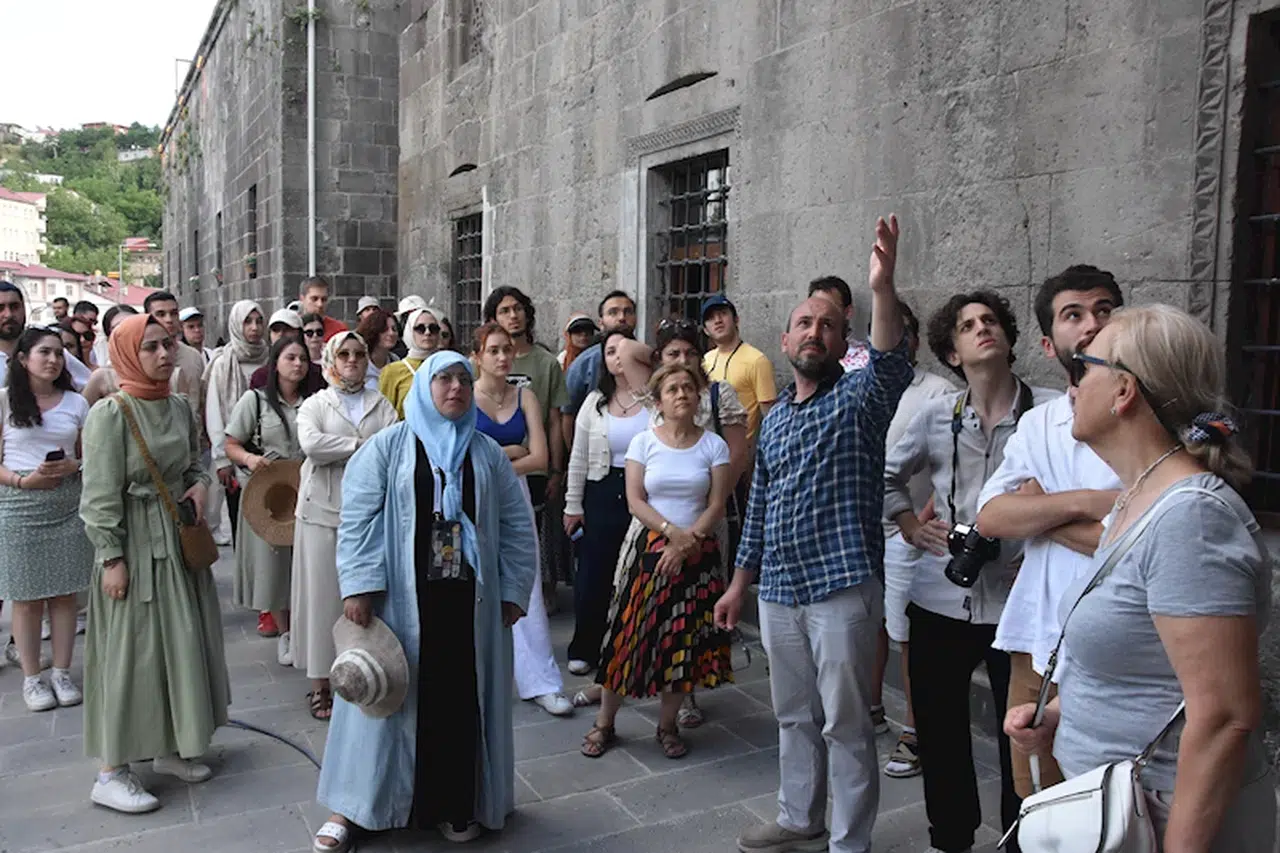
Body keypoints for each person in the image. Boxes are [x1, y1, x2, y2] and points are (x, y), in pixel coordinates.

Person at [1005, 305, 1276, 853]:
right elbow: (1150, 670)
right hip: (1114, 804)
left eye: (1083, 368)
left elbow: (1224, 716)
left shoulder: (1191, 518)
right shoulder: (1140, 499)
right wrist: (1060, 713)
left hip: (1162, 819)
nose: (1072, 385)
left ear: (1124, 390)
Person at [716, 216, 913, 853]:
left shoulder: (858, 400)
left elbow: (888, 366)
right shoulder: (773, 424)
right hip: (778, 591)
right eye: (805, 322)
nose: (815, 331)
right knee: (793, 715)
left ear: (841, 341)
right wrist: (738, 584)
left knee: (848, 726)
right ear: (786, 337)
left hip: (840, 590)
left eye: (828, 325)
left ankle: (848, 843)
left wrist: (882, 288)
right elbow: (762, 512)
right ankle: (799, 816)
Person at [313, 350, 538, 852]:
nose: (455, 388)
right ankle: (353, 808)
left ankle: (453, 804)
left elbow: (519, 527)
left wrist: (514, 589)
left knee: (456, 701)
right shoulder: (387, 449)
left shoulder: (486, 454)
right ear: (423, 389)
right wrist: (359, 586)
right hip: (399, 601)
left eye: (462, 379)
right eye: (443, 380)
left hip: (466, 606)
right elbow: (358, 522)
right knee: (383, 703)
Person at [882, 291, 1056, 853]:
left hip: (1021, 603)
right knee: (939, 731)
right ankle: (950, 838)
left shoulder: (1051, 412)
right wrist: (910, 525)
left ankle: (1018, 840)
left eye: (990, 321)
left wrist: (1048, 541)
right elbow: (883, 478)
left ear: (1008, 337)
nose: (982, 329)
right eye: (967, 325)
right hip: (939, 595)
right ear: (952, 352)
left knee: (1023, 737)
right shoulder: (936, 416)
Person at [975, 265, 1124, 798]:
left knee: (1103, 801)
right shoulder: (1040, 424)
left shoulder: (1154, 417)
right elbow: (990, 516)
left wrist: (1039, 512)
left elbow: (1138, 539)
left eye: (1104, 310)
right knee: (1034, 796)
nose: (1091, 324)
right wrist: (1085, 504)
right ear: (1047, 340)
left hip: (1114, 651)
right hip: (1037, 642)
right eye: (1073, 314)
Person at [79, 314, 228, 814]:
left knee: (177, 644)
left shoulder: (180, 406)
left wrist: (200, 486)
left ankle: (169, 745)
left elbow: (194, 463)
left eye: (168, 345)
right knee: (133, 652)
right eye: (150, 348)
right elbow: (98, 497)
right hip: (134, 546)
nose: (165, 355)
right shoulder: (111, 414)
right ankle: (111, 769)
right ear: (125, 354)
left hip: (176, 538)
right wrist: (111, 558)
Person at [581, 362, 732, 761]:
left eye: (688, 387)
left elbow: (716, 503)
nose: (681, 394)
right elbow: (635, 500)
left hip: (698, 552)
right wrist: (672, 534)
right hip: (648, 547)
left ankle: (666, 726)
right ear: (659, 401)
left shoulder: (713, 445)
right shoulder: (644, 443)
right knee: (627, 635)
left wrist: (687, 542)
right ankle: (605, 723)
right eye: (672, 389)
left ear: (699, 395)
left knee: (682, 640)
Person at [292, 331, 397, 720]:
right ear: (331, 361)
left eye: (358, 354)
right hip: (321, 508)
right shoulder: (316, 404)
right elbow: (311, 445)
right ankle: (320, 683)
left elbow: (394, 446)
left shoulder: (380, 403)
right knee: (322, 598)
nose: (352, 360)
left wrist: (362, 452)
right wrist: (360, 448)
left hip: (368, 510)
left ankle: (363, 671)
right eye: (344, 354)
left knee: (364, 594)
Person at [871, 300, 957, 779]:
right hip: (866, 530)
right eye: (887, 333)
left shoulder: (938, 392)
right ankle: (871, 709)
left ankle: (914, 729)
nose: (897, 340)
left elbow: (948, 465)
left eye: (905, 332)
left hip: (908, 531)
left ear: (916, 340)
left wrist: (917, 521)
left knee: (906, 636)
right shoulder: (861, 385)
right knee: (871, 624)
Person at [471, 322, 572, 716]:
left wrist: (498, 459)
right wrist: (512, 450)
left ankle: (542, 681)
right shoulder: (468, 397)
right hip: (473, 503)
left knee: (525, 586)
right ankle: (476, 680)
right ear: (477, 356)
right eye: (493, 350)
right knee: (474, 586)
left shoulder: (525, 396)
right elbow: (462, 457)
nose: (501, 357)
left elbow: (541, 458)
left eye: (506, 350)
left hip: (514, 502)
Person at [0, 327, 91, 711]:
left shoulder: (76, 403)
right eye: (43, 353)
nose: (53, 360)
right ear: (23, 359)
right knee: (26, 597)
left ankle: (62, 671)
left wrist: (75, 465)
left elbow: (91, 457)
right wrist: (24, 480)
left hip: (67, 503)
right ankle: (33, 678)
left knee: (65, 593)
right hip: (21, 503)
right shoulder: (5, 402)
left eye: (58, 353)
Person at [563, 330, 652, 685]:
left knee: (636, 574)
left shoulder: (652, 399)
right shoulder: (595, 402)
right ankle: (585, 648)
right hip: (601, 491)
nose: (618, 357)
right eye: (610, 351)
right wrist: (572, 505)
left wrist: (635, 351)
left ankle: (630, 648)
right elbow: (579, 457)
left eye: (624, 350)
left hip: (642, 494)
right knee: (594, 574)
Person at [223, 338, 313, 666]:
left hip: (305, 492)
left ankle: (304, 629)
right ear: (276, 363)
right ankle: (286, 632)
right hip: (268, 494)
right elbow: (231, 443)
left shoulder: (314, 403)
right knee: (273, 565)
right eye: (290, 357)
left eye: (302, 358)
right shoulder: (255, 401)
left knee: (304, 563)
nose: (297, 364)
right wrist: (248, 459)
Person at [483, 286, 569, 608]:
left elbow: (555, 420)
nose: (513, 315)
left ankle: (536, 594)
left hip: (534, 466)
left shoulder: (546, 363)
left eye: (517, 308)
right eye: (504, 310)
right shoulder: (477, 365)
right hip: (493, 468)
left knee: (532, 535)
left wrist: (555, 469)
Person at [204, 300, 268, 607]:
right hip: (236, 456)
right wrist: (222, 459)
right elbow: (215, 412)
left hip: (269, 456)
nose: (254, 328)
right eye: (248, 322)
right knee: (243, 524)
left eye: (258, 320)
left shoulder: (272, 357)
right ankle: (252, 589)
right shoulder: (223, 362)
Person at [561, 290, 637, 449]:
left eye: (627, 312)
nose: (622, 317)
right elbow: (568, 415)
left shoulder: (647, 357)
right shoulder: (584, 363)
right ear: (601, 322)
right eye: (613, 312)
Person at [701, 293, 777, 443]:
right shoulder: (705, 360)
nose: (717, 321)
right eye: (710, 318)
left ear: (736, 319)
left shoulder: (756, 360)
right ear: (705, 330)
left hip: (738, 451)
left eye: (723, 314)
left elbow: (771, 417)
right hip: (706, 449)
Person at [0, 283, 91, 391]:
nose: (9, 314)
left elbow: (89, 385)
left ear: (24, 308)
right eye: (0, 308)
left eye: (14, 307)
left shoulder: (51, 350)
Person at [143, 292, 206, 420]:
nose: (169, 320)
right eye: (161, 314)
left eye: (173, 313)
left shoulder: (193, 356)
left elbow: (202, 403)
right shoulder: (141, 357)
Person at [378, 307, 441, 418]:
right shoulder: (392, 371)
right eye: (420, 328)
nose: (427, 333)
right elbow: (384, 414)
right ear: (410, 331)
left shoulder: (448, 365)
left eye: (433, 328)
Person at [250, 310, 325, 395]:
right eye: (276, 329)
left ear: (299, 333)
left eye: (287, 329)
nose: (281, 334)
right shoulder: (260, 377)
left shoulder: (318, 374)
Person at [82, 306, 141, 406]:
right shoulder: (101, 377)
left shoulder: (162, 368)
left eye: (133, 325)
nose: (128, 331)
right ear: (109, 337)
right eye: (118, 328)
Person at [809, 275, 870, 373]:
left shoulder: (865, 361)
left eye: (829, 307)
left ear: (848, 312)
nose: (820, 313)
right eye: (814, 307)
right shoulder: (805, 352)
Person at [355, 306, 400, 391]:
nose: (391, 333)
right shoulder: (359, 361)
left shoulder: (396, 361)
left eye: (394, 329)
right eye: (385, 329)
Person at [300, 276, 348, 341]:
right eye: (314, 299)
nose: (320, 304)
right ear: (302, 299)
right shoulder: (292, 327)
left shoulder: (339, 330)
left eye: (324, 299)